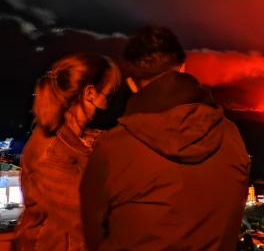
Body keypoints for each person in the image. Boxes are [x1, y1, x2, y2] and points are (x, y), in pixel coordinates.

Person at [80, 26, 251, 250]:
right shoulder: (230, 135)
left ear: (131, 84)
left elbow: (93, 233)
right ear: (183, 68)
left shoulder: (112, 148)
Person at [15, 53, 121, 251]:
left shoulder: (85, 140)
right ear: (90, 93)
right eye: (107, 96)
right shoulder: (51, 154)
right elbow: (85, 219)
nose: (107, 105)